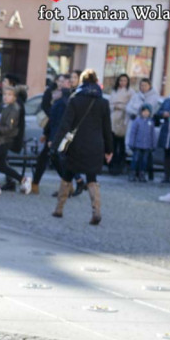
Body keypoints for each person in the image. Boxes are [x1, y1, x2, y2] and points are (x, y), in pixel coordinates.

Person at [53, 68, 112, 225]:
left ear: (82, 82)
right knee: (92, 178)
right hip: (96, 146)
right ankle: (96, 211)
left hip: (76, 145)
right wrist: (109, 150)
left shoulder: (75, 100)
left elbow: (65, 124)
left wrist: (56, 142)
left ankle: (59, 208)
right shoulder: (103, 102)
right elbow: (107, 128)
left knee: (67, 174)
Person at [30, 73, 70, 195]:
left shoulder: (64, 97)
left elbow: (59, 118)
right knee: (48, 157)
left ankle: (68, 182)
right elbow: (46, 107)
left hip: (56, 131)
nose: (61, 83)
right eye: (60, 81)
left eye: (64, 81)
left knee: (54, 157)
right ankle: (36, 184)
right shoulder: (51, 92)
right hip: (50, 128)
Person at [108, 73, 132, 174]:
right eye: (121, 80)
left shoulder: (130, 92)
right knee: (112, 144)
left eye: (125, 80)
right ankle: (111, 164)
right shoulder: (114, 91)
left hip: (123, 119)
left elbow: (131, 105)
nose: (122, 82)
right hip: (113, 117)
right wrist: (114, 107)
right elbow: (109, 104)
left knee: (121, 144)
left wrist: (121, 107)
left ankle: (120, 165)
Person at [127, 104, 156, 183]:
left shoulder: (151, 122)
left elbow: (153, 135)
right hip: (137, 145)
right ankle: (133, 174)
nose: (145, 113)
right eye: (144, 111)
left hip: (147, 146)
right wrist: (131, 143)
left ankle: (142, 174)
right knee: (135, 160)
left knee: (144, 161)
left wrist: (153, 145)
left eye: (147, 112)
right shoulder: (137, 121)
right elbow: (133, 133)